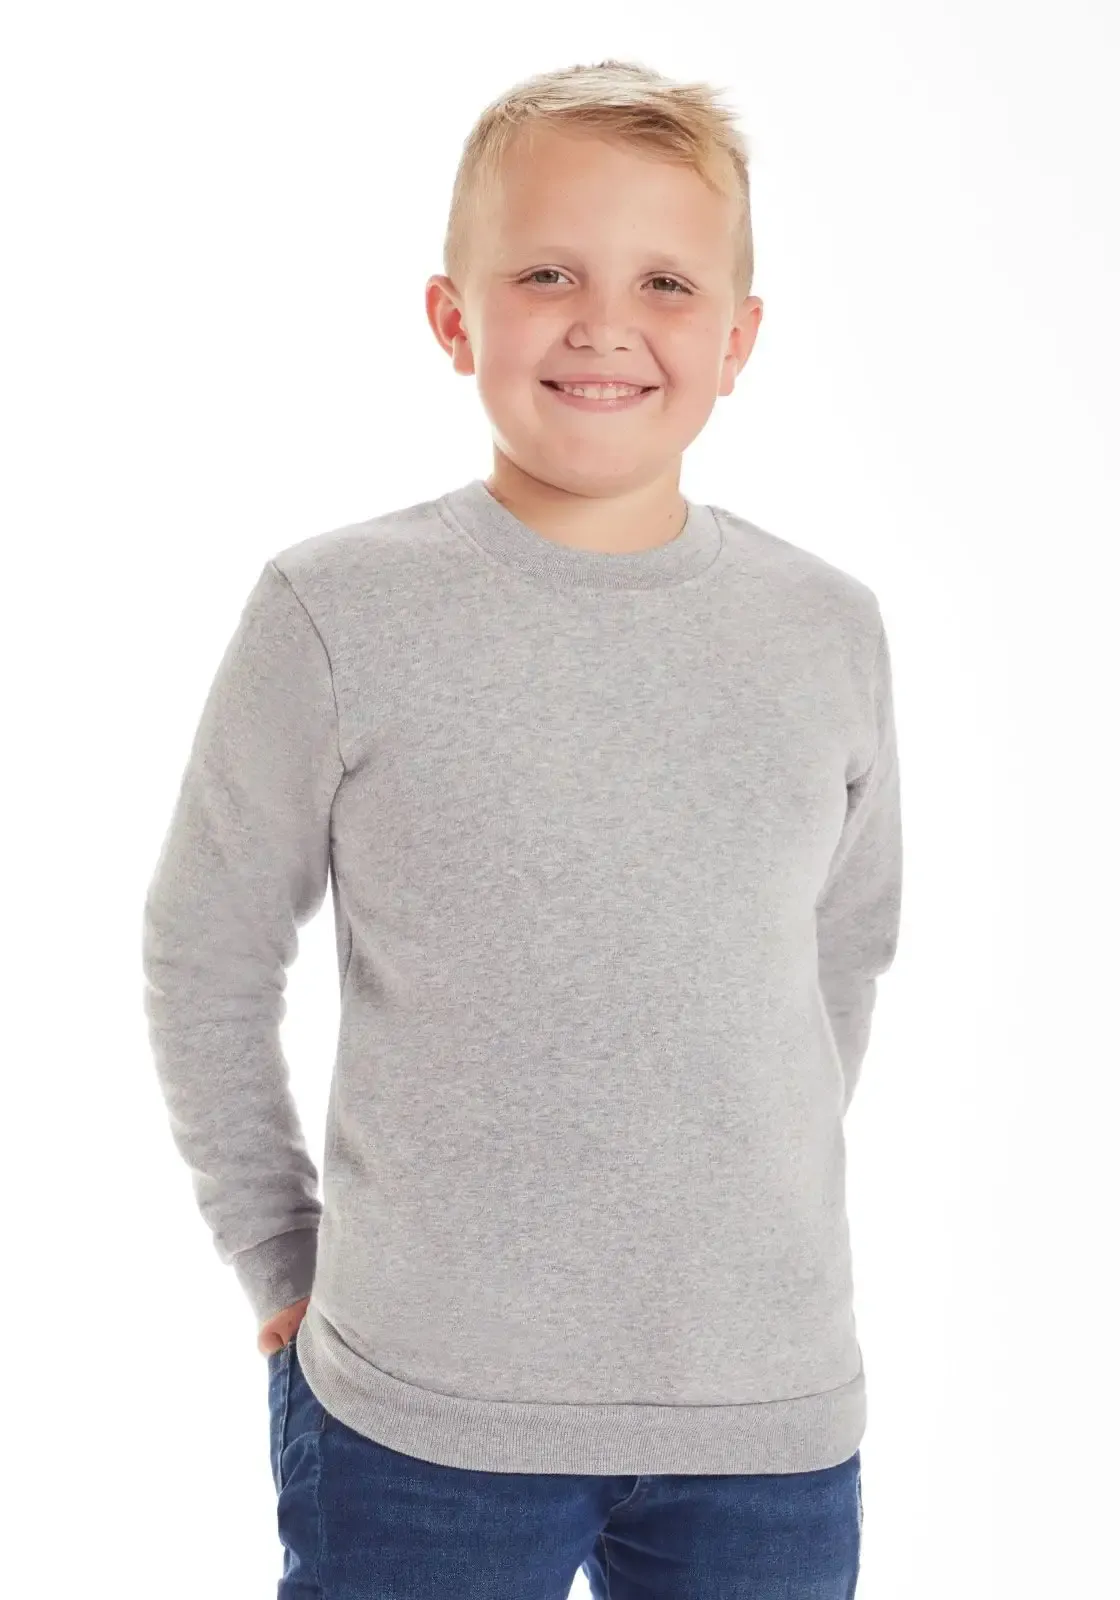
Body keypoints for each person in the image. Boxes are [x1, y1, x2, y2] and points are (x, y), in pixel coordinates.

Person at [142, 56, 902, 1600]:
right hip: (419, 1414)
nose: (605, 323)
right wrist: (277, 1256)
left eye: (666, 282)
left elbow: (842, 951)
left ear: (739, 339)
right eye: (547, 272)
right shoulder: (337, 610)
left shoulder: (827, 627)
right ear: (452, 318)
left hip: (768, 1417)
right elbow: (203, 949)